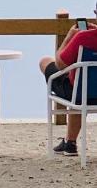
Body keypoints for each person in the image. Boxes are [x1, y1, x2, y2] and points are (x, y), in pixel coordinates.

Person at [39, 10, 97, 156]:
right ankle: (69, 143)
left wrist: (70, 36)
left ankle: (70, 143)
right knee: (82, 82)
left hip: (79, 93)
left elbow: (60, 64)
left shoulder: (83, 37)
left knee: (46, 62)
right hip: (85, 89)